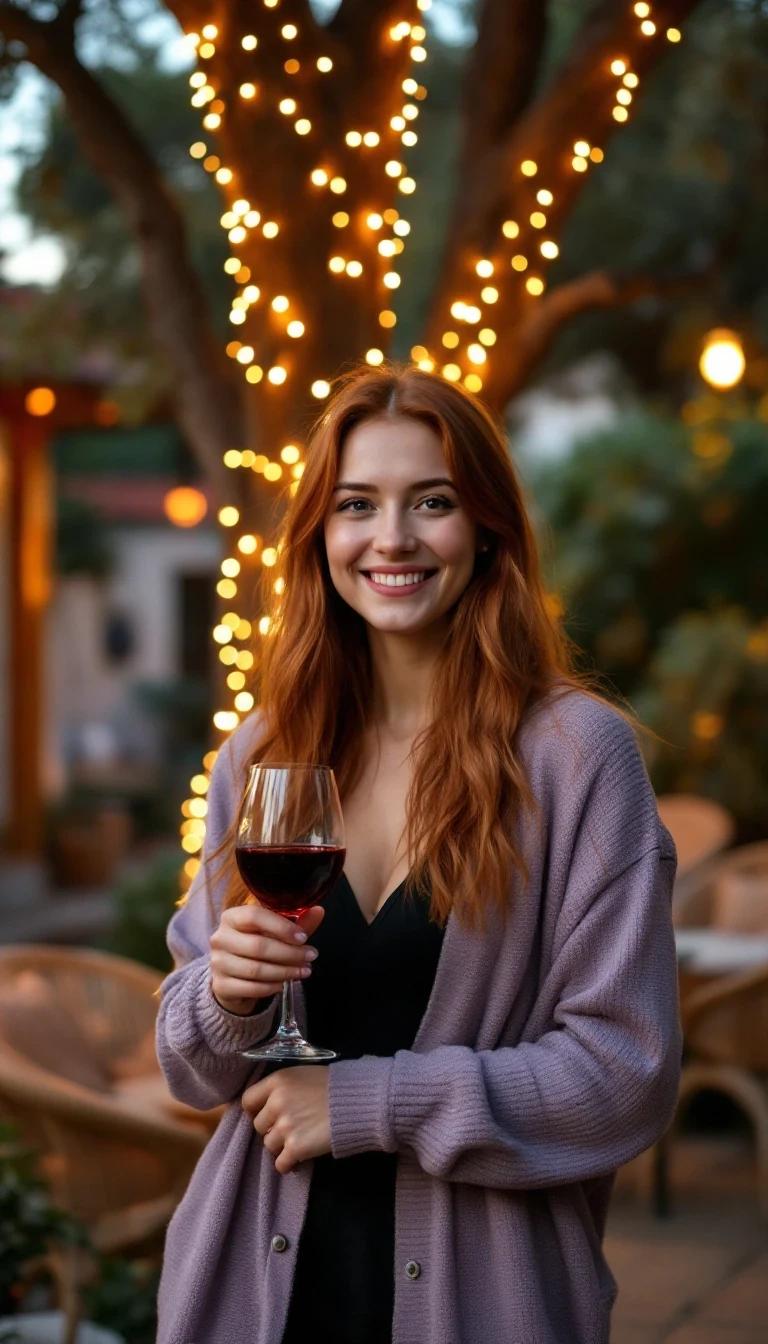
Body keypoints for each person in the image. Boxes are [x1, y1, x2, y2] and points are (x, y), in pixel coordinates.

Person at [155, 363, 682, 1344]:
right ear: (321, 535)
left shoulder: (574, 757)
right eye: (357, 504)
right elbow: (191, 1072)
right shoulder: (263, 752)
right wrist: (222, 999)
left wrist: (365, 1102)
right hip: (254, 1291)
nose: (391, 538)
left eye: (430, 501)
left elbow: (623, 1073)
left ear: (486, 529)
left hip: (485, 1299)